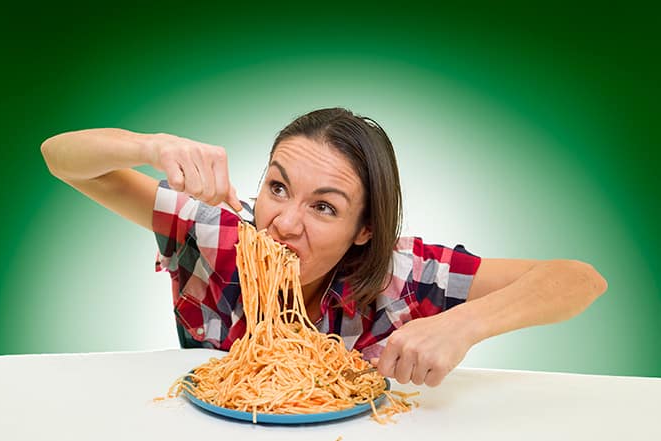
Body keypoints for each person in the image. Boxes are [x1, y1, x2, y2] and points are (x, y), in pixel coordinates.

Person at [40, 107, 607, 387]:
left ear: (365, 230)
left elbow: (578, 278)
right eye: (278, 187)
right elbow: (60, 159)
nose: (283, 223)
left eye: (325, 207)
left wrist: (463, 326)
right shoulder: (212, 232)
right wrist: (149, 145)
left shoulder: (399, 274)